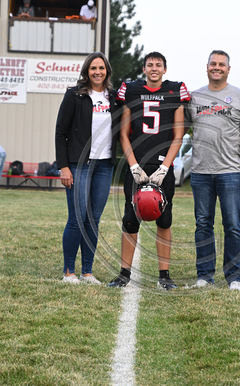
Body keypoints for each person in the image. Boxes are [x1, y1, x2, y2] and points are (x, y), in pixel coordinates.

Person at [107, 51, 190, 290]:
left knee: (164, 221)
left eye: (158, 65)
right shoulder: (131, 90)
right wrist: (132, 165)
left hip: (162, 166)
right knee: (130, 220)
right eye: (150, 65)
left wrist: (165, 167)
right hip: (137, 165)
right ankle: (124, 274)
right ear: (144, 69)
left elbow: (178, 134)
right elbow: (123, 133)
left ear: (165, 69)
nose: (154, 68)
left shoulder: (175, 90)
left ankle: (164, 276)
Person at [188, 50, 240, 291]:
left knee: (232, 224)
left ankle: (234, 277)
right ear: (206, 67)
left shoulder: (239, 96)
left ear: (229, 69)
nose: (216, 67)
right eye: (213, 63)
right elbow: (178, 127)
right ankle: (204, 276)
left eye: (221, 64)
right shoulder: (194, 97)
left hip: (229, 172)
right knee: (203, 224)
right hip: (200, 173)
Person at [55, 52, 120, 285]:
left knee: (93, 220)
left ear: (107, 71)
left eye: (101, 68)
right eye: (93, 68)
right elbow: (61, 132)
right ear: (86, 71)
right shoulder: (74, 95)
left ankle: (87, 272)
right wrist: (63, 166)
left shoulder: (114, 97)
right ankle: (68, 272)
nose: (97, 72)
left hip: (104, 165)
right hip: (78, 165)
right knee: (77, 219)